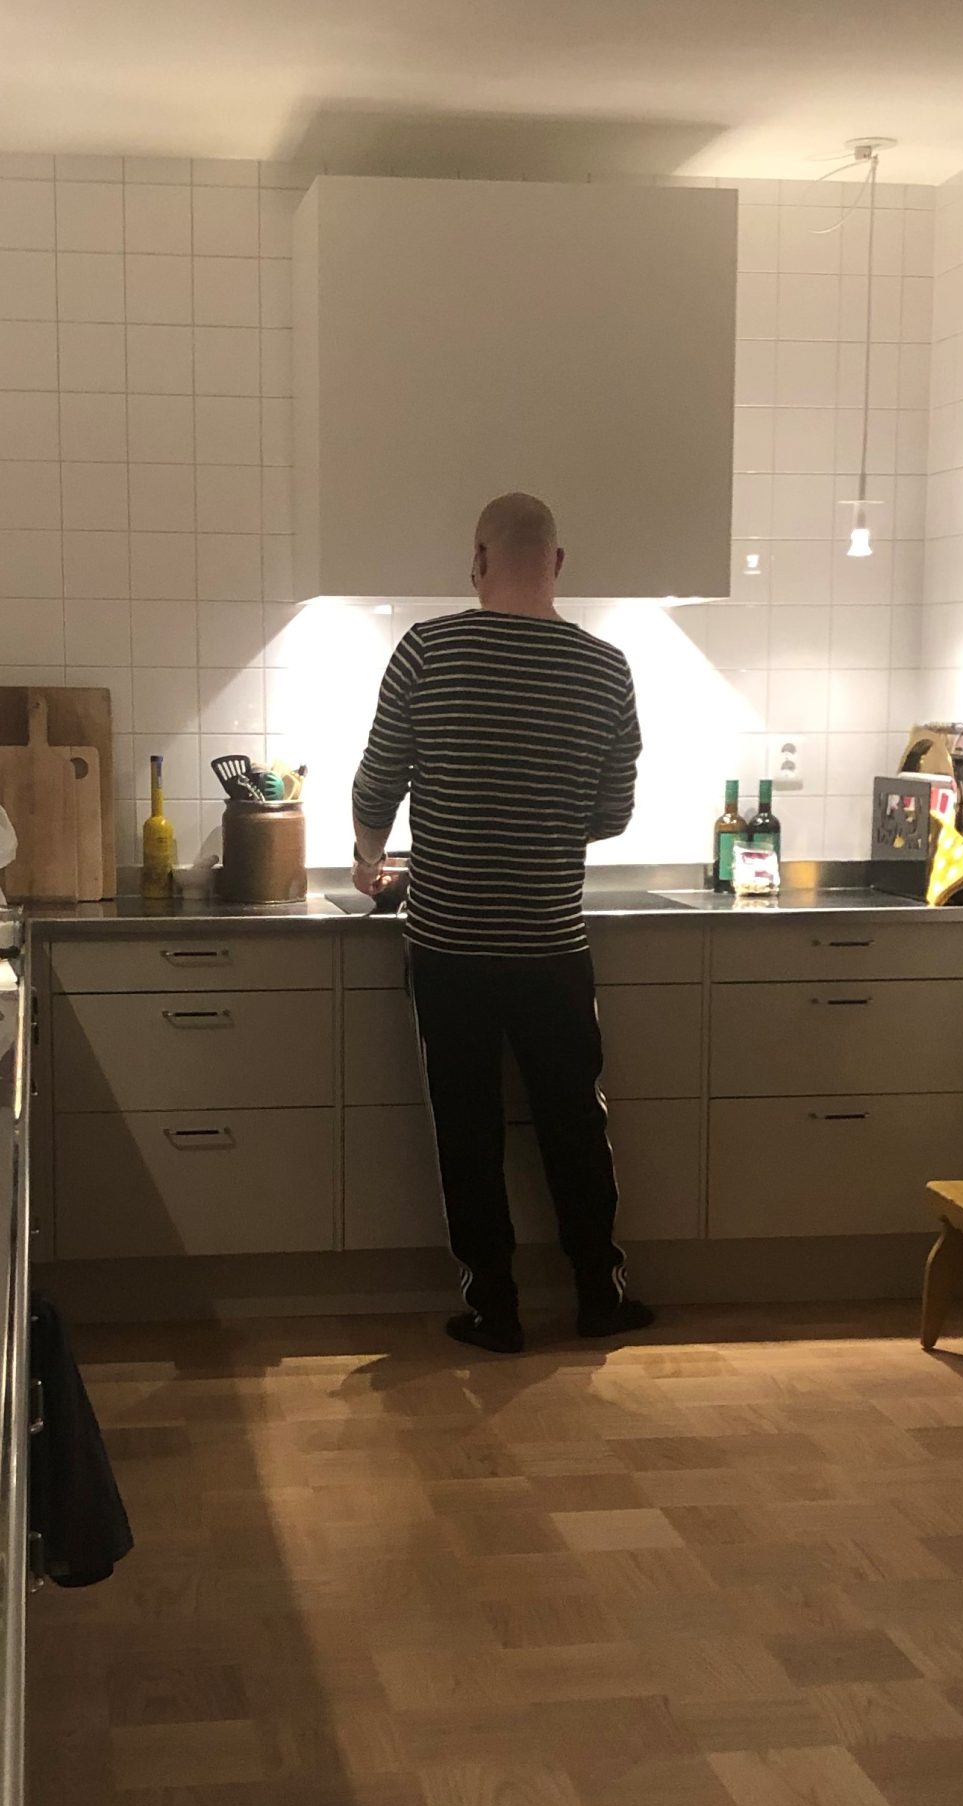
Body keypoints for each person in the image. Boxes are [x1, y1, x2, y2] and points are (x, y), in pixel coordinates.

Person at [351, 491, 655, 1355]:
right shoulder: (605, 668)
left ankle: (495, 1311)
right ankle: (597, 1296)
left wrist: (370, 856)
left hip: (448, 944)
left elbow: (377, 781)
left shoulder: (428, 649)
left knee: (468, 1130)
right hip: (550, 943)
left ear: (477, 562)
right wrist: (540, 822)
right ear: (557, 563)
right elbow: (613, 813)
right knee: (574, 1122)